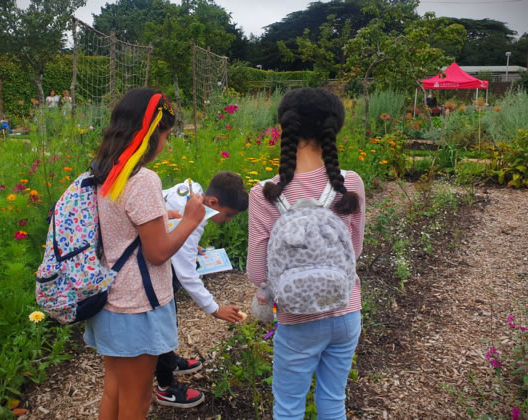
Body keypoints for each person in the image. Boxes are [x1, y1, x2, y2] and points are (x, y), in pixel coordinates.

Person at [86, 88, 206, 420]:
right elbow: (157, 253)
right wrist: (192, 219)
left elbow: (121, 225)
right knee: (137, 402)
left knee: (114, 390)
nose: (165, 145)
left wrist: (162, 217)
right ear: (150, 136)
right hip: (138, 306)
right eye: (165, 136)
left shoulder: (102, 172)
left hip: (110, 302)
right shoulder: (142, 180)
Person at [247, 88, 365, 420]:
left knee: (288, 407)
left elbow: (258, 274)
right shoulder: (351, 183)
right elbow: (353, 252)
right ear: (334, 128)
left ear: (286, 127)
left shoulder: (265, 194)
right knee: (332, 400)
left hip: (296, 318)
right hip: (346, 310)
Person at [155, 171, 249, 408]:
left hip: (150, 257)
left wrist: (188, 243)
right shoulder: (193, 218)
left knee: (166, 319)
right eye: (228, 215)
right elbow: (187, 275)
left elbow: (172, 225)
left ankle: (169, 359)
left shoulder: (191, 190)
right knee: (163, 323)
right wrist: (214, 309)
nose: (228, 220)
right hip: (149, 272)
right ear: (214, 203)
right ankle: (165, 386)